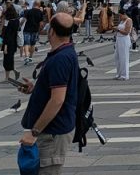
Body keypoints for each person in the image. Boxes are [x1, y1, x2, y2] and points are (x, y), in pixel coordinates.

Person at [17, 12, 80, 175]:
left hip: (52, 133)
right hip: (55, 129)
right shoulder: (66, 52)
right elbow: (58, 89)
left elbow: (57, 100)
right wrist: (36, 89)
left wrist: (34, 132)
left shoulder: (60, 59)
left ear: (51, 31)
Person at [1, 4, 21, 82]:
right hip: (13, 43)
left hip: (8, 43)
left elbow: (7, 35)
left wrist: (5, 46)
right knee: (10, 59)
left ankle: (7, 77)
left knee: (7, 60)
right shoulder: (17, 21)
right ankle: (12, 73)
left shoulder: (10, 22)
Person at [114, 10, 132, 80]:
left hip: (124, 39)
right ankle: (119, 73)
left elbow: (126, 32)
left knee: (124, 57)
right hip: (119, 39)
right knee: (117, 57)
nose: (120, 17)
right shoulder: (121, 21)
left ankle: (124, 75)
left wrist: (118, 30)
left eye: (120, 15)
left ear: (124, 14)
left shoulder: (128, 20)